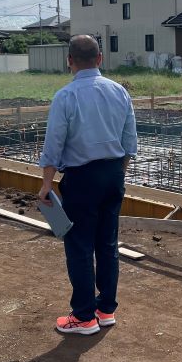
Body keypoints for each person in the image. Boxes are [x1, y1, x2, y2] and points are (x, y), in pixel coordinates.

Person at [38, 35, 137, 335]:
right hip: (113, 174)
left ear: (69, 61)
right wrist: (117, 172)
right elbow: (129, 141)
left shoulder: (66, 97)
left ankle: (83, 316)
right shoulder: (120, 91)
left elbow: (54, 144)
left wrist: (46, 185)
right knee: (107, 244)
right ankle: (105, 309)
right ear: (100, 59)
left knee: (79, 246)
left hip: (81, 178)